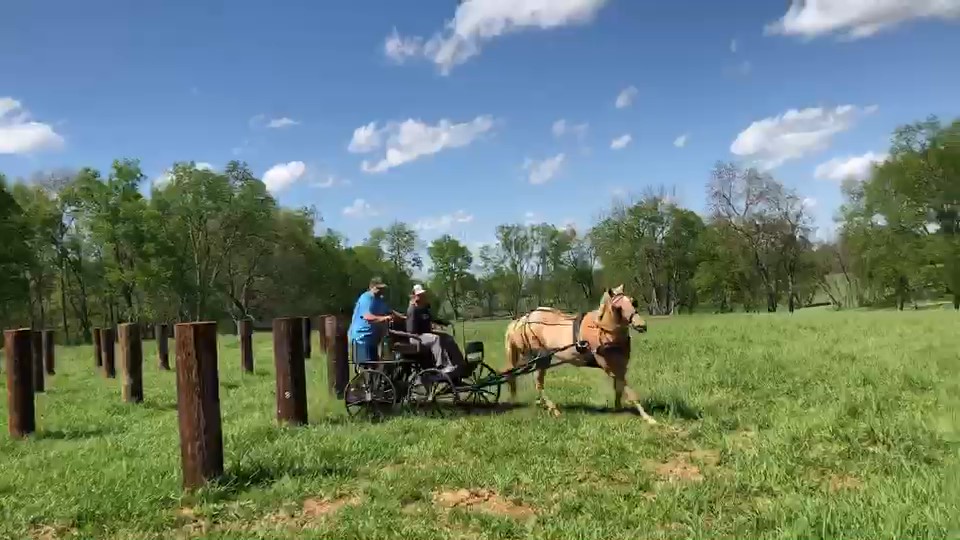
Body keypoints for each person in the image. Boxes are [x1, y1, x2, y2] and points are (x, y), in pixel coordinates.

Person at [406, 284, 466, 375]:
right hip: (415, 337)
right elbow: (411, 331)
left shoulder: (424, 308)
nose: (422, 297)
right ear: (414, 296)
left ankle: (459, 363)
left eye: (422, 294)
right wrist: (425, 334)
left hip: (426, 334)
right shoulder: (413, 309)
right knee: (436, 339)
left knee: (447, 337)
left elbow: (432, 319)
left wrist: (444, 323)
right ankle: (441, 366)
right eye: (419, 295)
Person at [348, 276, 404, 364]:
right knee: (367, 367)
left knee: (375, 366)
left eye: (383, 288)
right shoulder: (366, 298)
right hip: (362, 338)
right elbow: (367, 317)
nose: (381, 291)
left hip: (373, 339)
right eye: (379, 288)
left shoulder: (379, 300)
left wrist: (404, 318)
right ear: (371, 287)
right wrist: (384, 318)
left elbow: (390, 311)